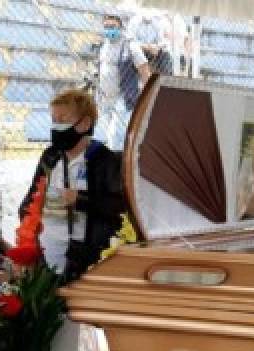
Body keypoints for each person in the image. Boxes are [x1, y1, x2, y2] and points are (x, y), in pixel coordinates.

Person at [19, 89, 126, 281]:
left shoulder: (106, 160)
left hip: (86, 259)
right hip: (45, 255)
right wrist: (28, 238)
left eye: (62, 119)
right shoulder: (50, 156)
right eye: (53, 120)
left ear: (84, 124)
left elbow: (120, 208)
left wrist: (82, 200)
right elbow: (31, 199)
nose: (56, 126)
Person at [97, 12, 151, 149]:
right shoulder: (104, 45)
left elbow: (144, 70)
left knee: (116, 135)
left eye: (113, 26)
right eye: (107, 27)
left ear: (121, 27)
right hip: (105, 96)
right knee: (105, 134)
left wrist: (148, 94)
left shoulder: (130, 46)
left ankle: (118, 163)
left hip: (123, 96)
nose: (109, 30)